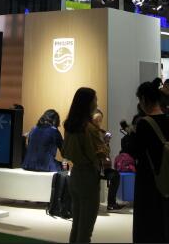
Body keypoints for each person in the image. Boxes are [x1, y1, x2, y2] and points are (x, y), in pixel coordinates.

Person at [129, 81, 169, 243]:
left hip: (148, 180)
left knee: (146, 225)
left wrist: (131, 135)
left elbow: (135, 151)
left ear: (144, 100)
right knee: (166, 222)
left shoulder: (143, 124)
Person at [62, 87, 107, 243]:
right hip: (88, 177)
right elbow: (99, 154)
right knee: (85, 231)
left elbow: (65, 151)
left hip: (75, 175)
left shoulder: (69, 126)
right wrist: (104, 143)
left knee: (76, 226)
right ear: (88, 103)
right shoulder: (89, 128)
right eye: (95, 100)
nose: (97, 103)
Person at [92, 109, 125, 212]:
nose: (98, 123)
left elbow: (106, 152)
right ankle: (92, 204)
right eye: (96, 120)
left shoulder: (102, 133)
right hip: (93, 166)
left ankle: (111, 203)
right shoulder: (89, 133)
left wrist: (106, 142)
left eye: (100, 120)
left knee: (115, 175)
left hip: (103, 167)